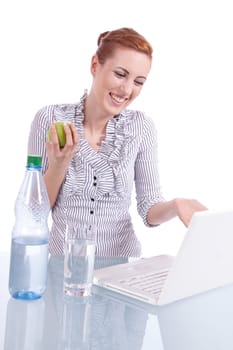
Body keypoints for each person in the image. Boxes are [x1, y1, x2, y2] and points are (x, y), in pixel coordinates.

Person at [27, 27, 207, 257]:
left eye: (139, 81)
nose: (127, 89)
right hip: (64, 267)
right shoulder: (50, 119)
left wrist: (176, 205)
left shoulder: (141, 128)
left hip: (122, 267)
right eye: (120, 74)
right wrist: (59, 164)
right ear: (95, 65)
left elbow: (148, 207)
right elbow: (33, 212)